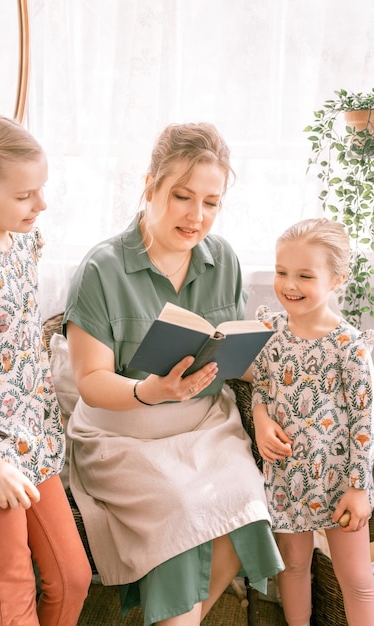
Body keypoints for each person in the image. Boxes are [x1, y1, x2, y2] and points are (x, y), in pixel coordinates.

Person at [63, 121, 284, 626]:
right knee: (183, 507)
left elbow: (229, 349)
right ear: (150, 184)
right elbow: (92, 382)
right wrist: (148, 390)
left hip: (206, 426)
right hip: (123, 434)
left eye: (211, 202)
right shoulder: (102, 268)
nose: (197, 216)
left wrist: (266, 379)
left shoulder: (222, 257)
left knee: (249, 501)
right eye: (183, 196)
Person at [0, 112, 91, 626]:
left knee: (72, 576)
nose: (41, 204)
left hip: (31, 441)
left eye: (42, 189)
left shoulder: (25, 245)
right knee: (15, 593)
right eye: (24, 195)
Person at [251, 217, 374, 626]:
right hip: (287, 475)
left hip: (340, 480)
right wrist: (261, 419)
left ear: (336, 279)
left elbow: (363, 422)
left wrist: (359, 488)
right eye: (282, 272)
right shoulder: (269, 330)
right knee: (293, 566)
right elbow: (263, 390)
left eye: (305, 275)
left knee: (356, 579)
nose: (289, 284)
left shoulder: (349, 346)